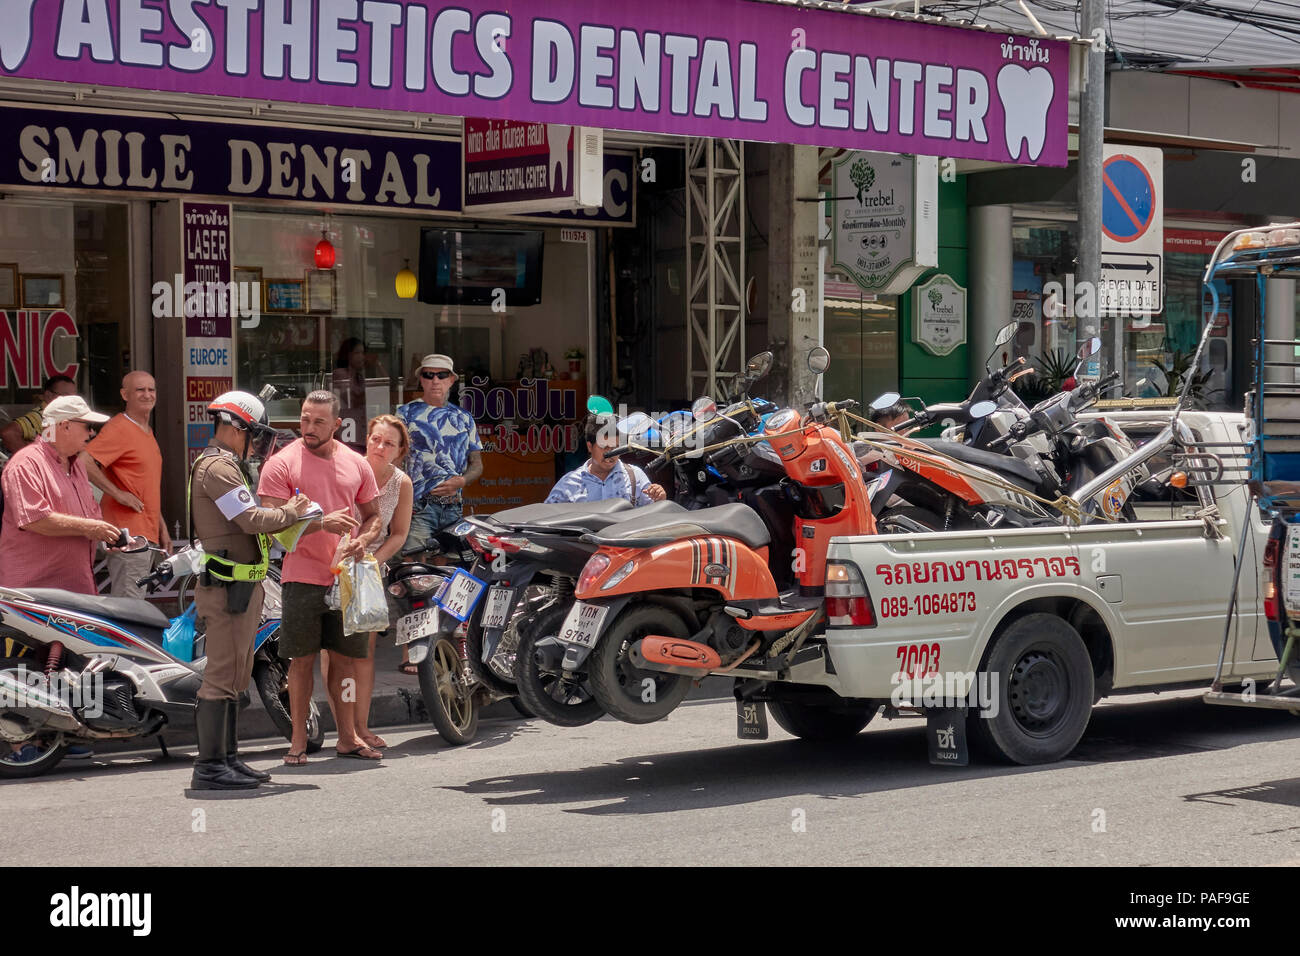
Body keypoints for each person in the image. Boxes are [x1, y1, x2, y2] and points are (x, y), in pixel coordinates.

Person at [187, 390, 312, 791]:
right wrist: (291, 513)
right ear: (237, 427)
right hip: (227, 590)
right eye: (253, 433)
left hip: (242, 586)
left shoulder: (226, 466)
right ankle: (209, 767)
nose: (255, 442)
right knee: (222, 677)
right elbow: (250, 519)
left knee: (238, 676)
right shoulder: (217, 468)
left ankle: (228, 759)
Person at [258, 390, 381, 765]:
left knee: (344, 661)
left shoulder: (356, 463)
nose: (308, 428)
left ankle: (348, 737)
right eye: (304, 419)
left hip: (346, 579)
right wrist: (320, 524)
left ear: (337, 425)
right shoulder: (281, 464)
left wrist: (363, 540)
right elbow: (271, 527)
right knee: (301, 661)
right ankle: (297, 740)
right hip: (302, 577)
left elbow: (374, 516)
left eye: (318, 422)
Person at [324, 414, 413, 742]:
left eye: (389, 443)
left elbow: (399, 533)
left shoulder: (401, 482)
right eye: (375, 439)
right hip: (332, 563)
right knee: (334, 653)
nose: (380, 446)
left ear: (400, 449)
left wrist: (374, 562)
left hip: (369, 571)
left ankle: (360, 726)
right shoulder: (346, 468)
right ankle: (343, 729)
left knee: (363, 651)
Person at [0, 395, 120, 594]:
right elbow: (35, 520)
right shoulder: (25, 463)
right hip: (35, 597)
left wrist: (107, 536)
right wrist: (92, 528)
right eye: (88, 426)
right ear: (65, 426)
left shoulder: (77, 465)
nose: (91, 433)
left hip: (75, 591)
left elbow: (91, 517)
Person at [80, 371, 171, 597]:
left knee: (133, 604)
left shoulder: (146, 430)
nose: (147, 394)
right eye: (140, 390)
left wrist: (161, 526)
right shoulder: (119, 427)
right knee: (130, 608)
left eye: (151, 389)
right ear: (125, 394)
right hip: (128, 533)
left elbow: (144, 486)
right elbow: (84, 460)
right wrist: (117, 493)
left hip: (144, 531)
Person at [397, 354, 482, 551]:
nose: (435, 380)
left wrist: (462, 481)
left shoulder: (464, 418)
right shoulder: (405, 413)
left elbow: (477, 464)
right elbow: (395, 459)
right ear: (421, 379)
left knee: (451, 566)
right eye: (429, 375)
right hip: (418, 506)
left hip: (453, 506)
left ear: (451, 379)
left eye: (442, 375)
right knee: (414, 565)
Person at [546, 413, 667, 505]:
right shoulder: (569, 483)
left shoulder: (635, 477)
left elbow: (654, 516)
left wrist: (659, 498)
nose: (610, 452)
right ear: (590, 447)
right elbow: (548, 518)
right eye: (604, 446)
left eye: (615, 447)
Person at [1, 375, 77, 453]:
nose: (71, 401)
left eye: (74, 397)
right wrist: (33, 458)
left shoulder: (61, 416)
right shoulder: (42, 416)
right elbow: (8, 433)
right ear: (48, 395)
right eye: (66, 396)